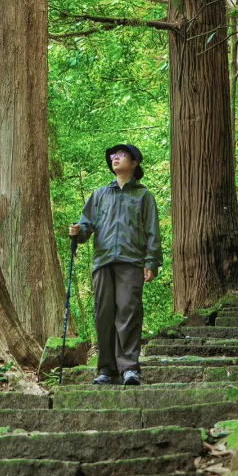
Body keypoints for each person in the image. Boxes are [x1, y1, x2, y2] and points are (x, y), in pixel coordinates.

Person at [69, 143, 163, 387]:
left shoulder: (143, 196)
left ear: (134, 163)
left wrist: (152, 261)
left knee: (128, 312)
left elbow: (153, 231)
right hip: (103, 262)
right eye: (113, 155)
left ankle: (129, 368)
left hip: (132, 261)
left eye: (122, 155)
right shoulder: (100, 195)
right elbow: (86, 225)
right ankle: (106, 369)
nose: (115, 158)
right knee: (103, 314)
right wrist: (78, 231)